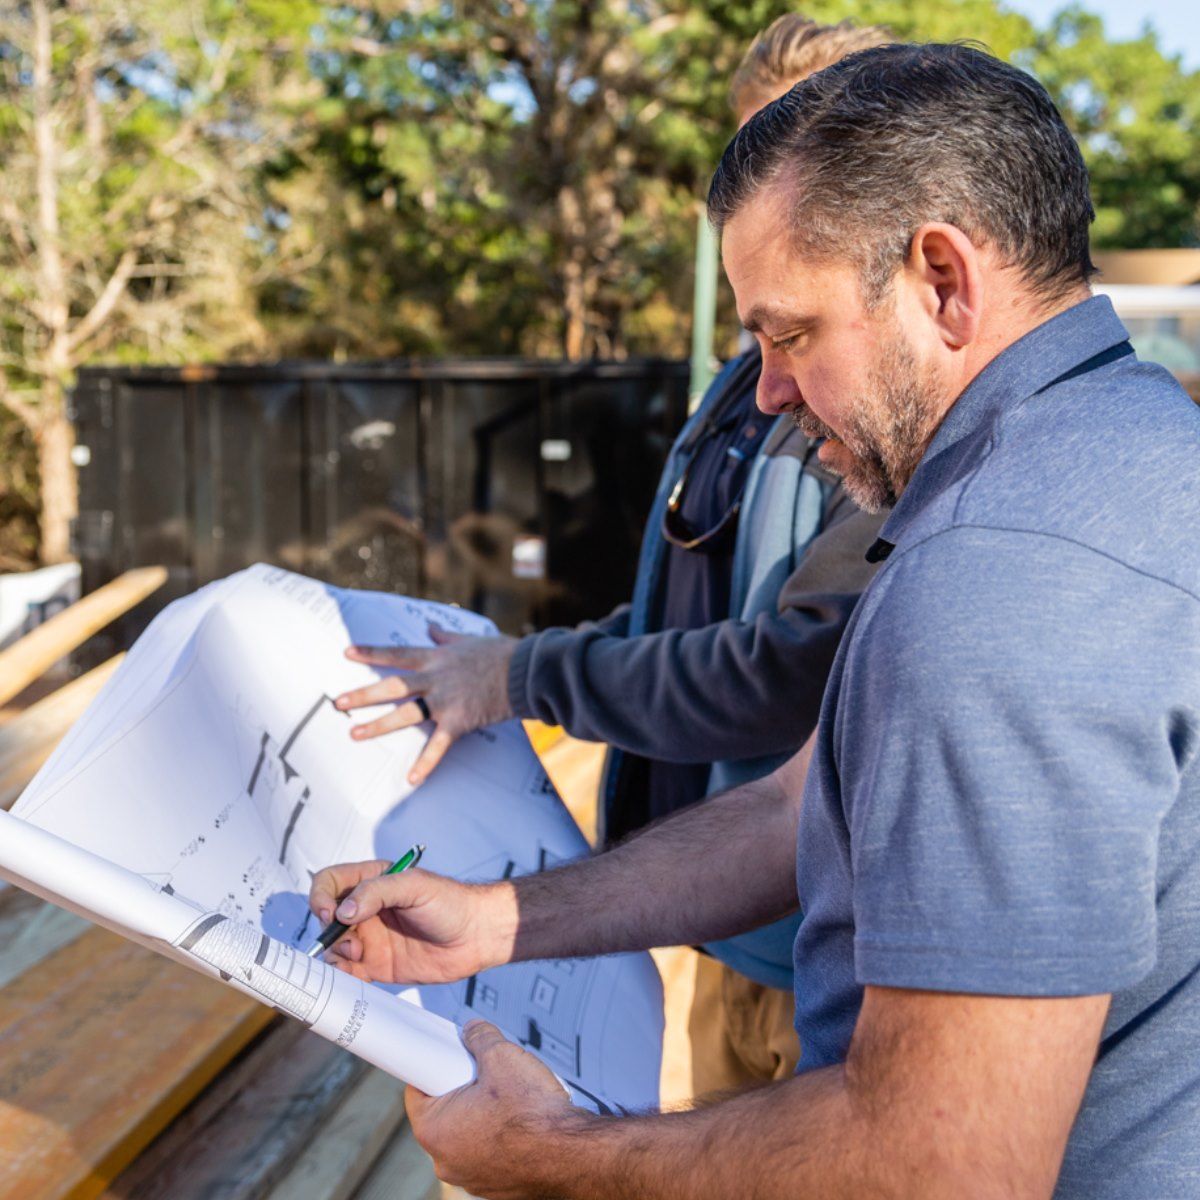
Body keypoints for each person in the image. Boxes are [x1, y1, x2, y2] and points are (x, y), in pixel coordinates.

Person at [313, 42, 1200, 1198]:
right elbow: (801, 804)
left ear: (943, 279)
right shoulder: (1126, 445)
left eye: (788, 335)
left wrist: (548, 1156)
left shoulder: (999, 579)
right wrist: (504, 921)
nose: (769, 393)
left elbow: (942, 1168)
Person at [332, 15, 890, 1094]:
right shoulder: (752, 380)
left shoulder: (879, 405)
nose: (760, 191)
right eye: (746, 157)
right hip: (734, 933)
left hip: (837, 947)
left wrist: (520, 676)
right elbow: (683, 626)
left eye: (802, 154)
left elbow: (791, 676)